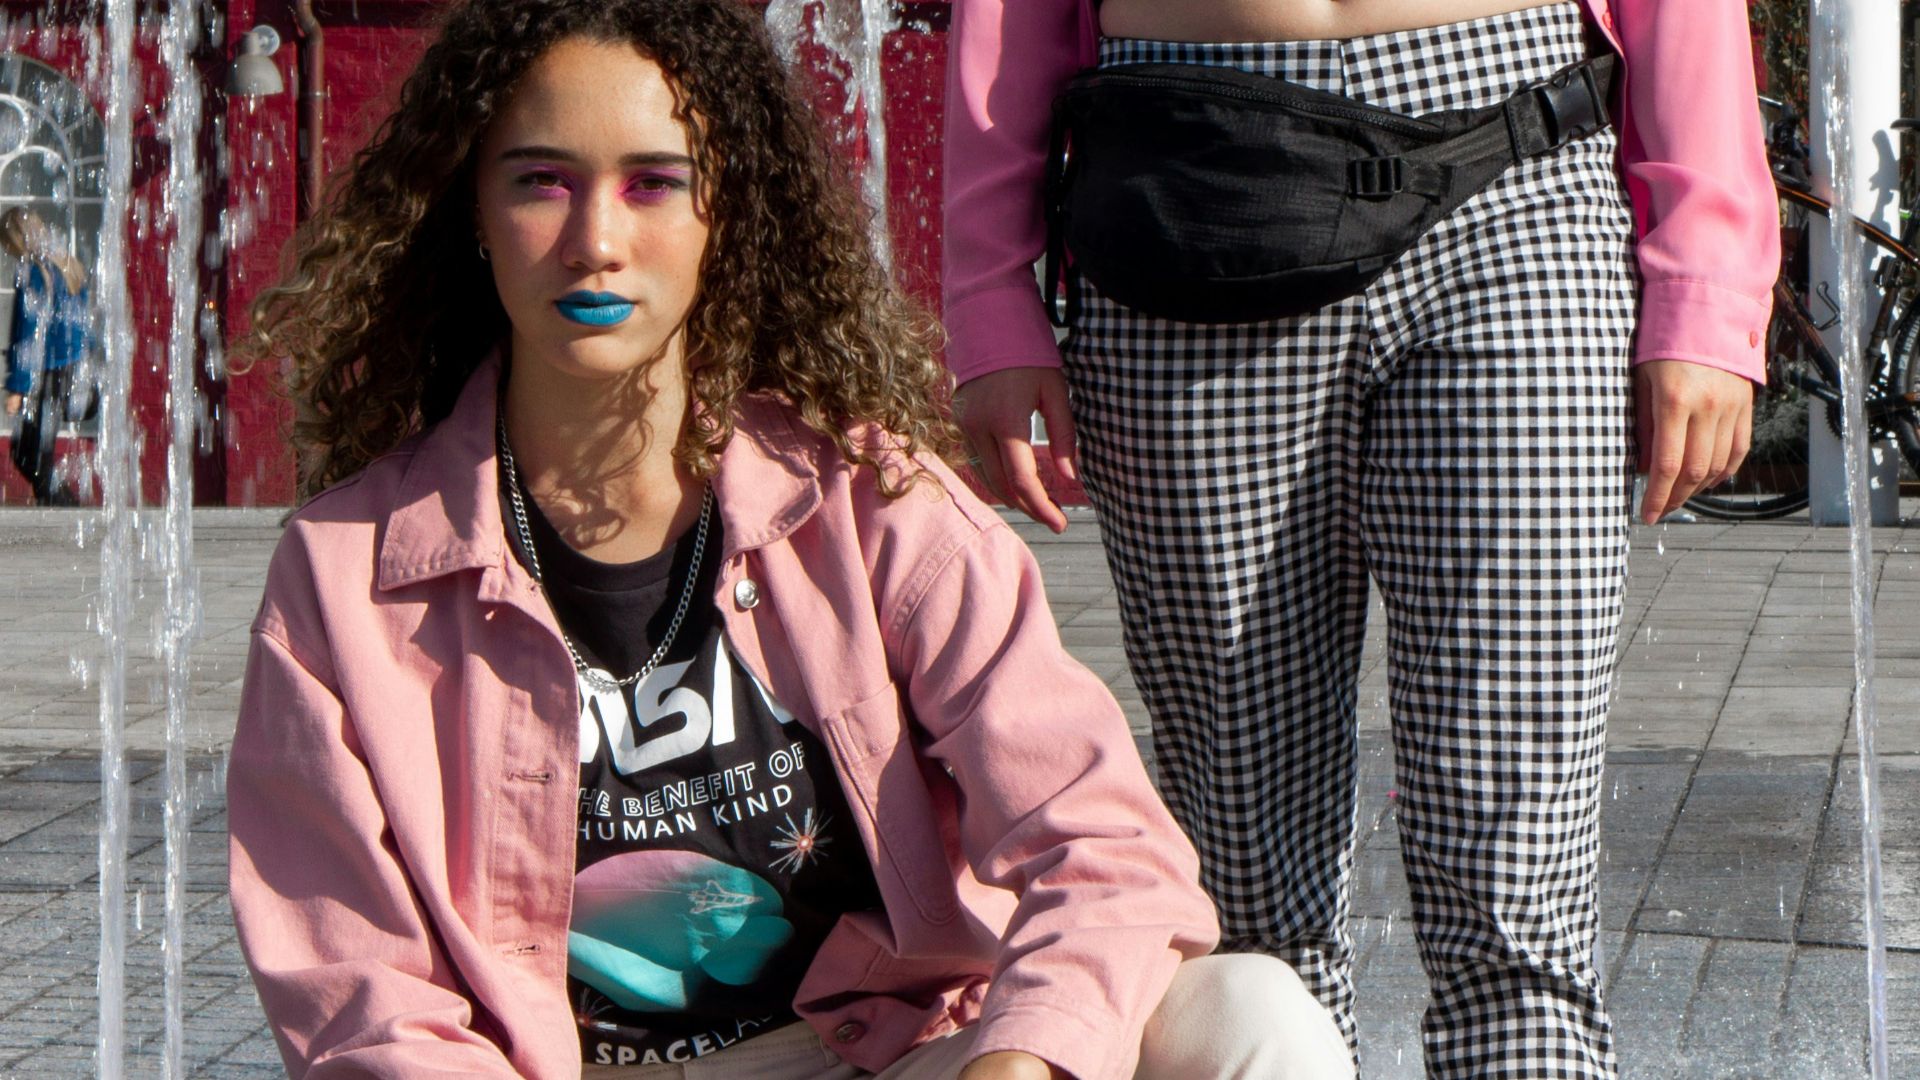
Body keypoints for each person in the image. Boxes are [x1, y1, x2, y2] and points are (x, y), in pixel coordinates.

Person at [225, 2, 1354, 1077]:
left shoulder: (872, 510)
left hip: (886, 1056)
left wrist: (1024, 1058)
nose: (595, 240)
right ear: (471, 209)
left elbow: (1110, 855)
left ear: (728, 214)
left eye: (655, 184)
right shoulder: (343, 576)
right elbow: (361, 996)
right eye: (541, 183)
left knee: (1248, 1018)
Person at [942, 1, 1775, 1077]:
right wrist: (988, 291)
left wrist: (1707, 276)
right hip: (1189, 188)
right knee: (1247, 906)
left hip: (1512, 177)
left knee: (1518, 903)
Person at [2, 207, 91, 505]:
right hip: (70, 369)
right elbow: (82, 322)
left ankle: (64, 509)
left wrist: (17, 387)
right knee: (38, 452)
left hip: (47, 373)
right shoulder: (66, 264)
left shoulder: (32, 271)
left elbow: (26, 332)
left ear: (16, 240)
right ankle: (61, 507)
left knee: (29, 454)